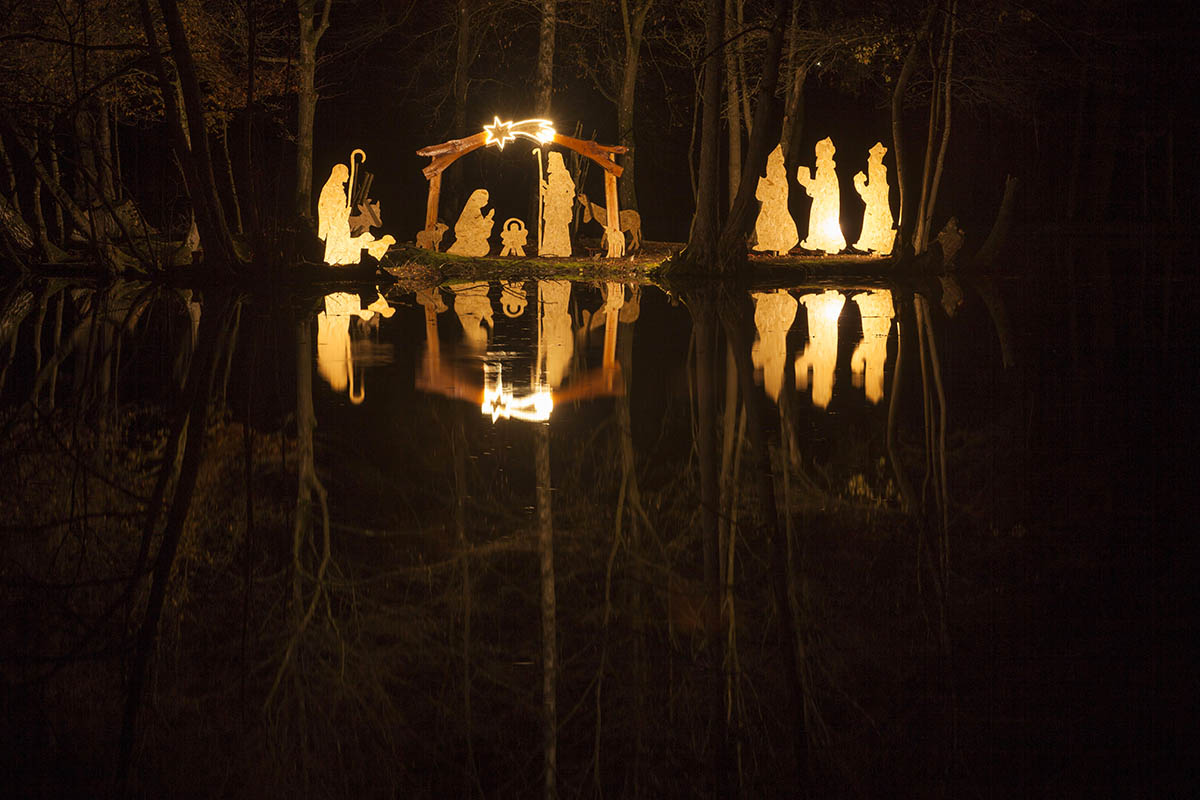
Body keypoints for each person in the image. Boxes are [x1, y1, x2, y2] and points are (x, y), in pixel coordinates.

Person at [753, 144, 799, 256]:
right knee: (762, 223)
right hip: (769, 210)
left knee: (777, 225)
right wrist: (762, 184)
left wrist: (766, 187)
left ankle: (782, 245)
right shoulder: (771, 178)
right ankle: (767, 243)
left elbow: (775, 194)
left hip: (777, 210)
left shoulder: (780, 179)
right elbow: (760, 195)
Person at [540, 152, 575, 257]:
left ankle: (562, 250)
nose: (549, 163)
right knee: (550, 226)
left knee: (560, 226)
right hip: (552, 206)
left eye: (551, 161)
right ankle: (549, 249)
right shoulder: (551, 176)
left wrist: (561, 194)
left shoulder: (564, 173)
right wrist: (545, 189)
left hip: (560, 206)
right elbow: (551, 192)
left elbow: (570, 188)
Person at [447, 189, 494, 257]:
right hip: (467, 238)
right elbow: (462, 226)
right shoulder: (471, 211)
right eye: (481, 200)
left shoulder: (477, 211)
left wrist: (488, 219)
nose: (483, 203)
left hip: (473, 237)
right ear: (475, 199)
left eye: (484, 201)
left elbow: (480, 225)